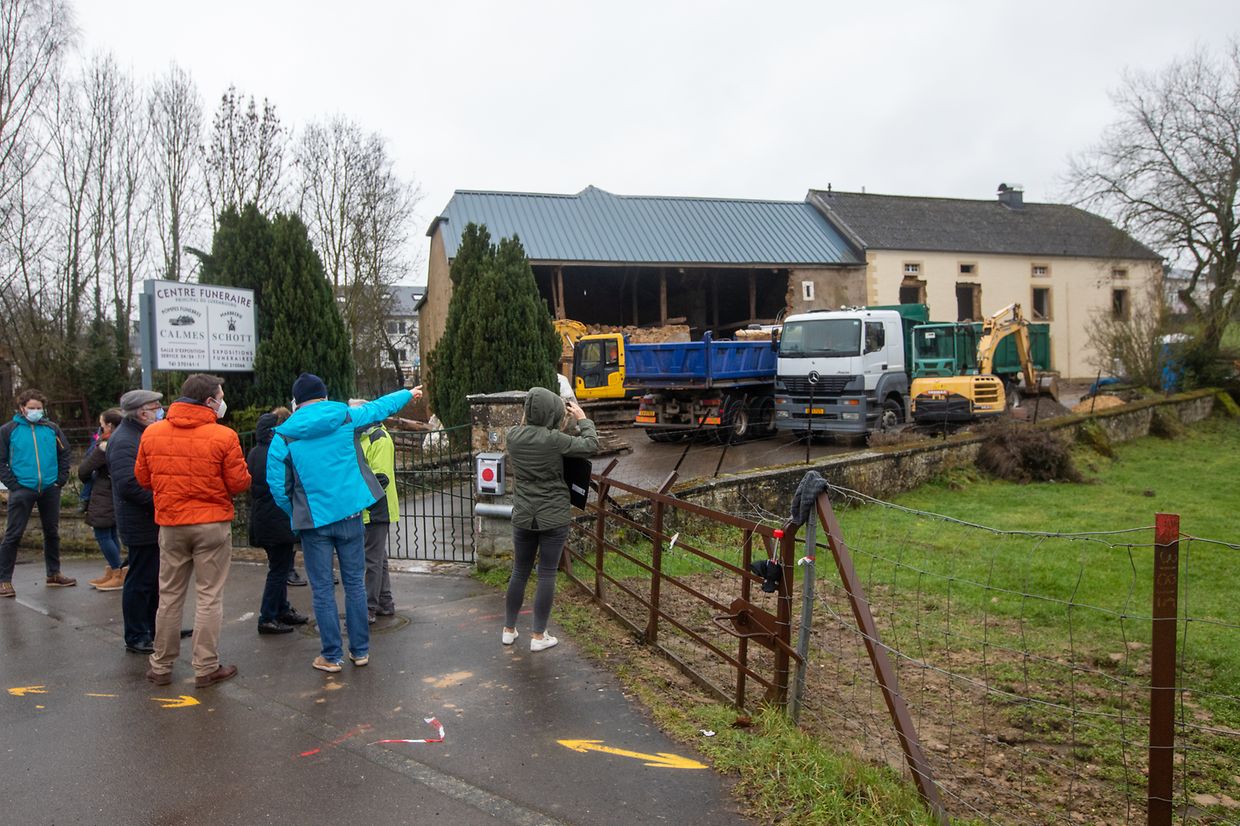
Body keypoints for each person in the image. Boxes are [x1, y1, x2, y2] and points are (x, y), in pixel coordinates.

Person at [267, 373, 414, 673]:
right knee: (355, 586)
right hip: (350, 515)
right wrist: (409, 394)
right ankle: (360, 651)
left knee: (322, 590)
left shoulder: (283, 436)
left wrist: (297, 512)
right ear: (323, 395)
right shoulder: (346, 417)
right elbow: (379, 408)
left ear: (296, 401)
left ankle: (331, 656)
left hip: (314, 523)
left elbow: (277, 486)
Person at [136, 374, 250, 688]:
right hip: (211, 523)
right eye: (220, 396)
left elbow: (143, 479)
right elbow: (239, 483)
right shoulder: (223, 436)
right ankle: (206, 666)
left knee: (169, 597)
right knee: (209, 596)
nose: (223, 401)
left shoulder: (152, 434)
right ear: (209, 401)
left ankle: (161, 665)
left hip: (171, 524)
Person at [501, 387, 598, 652]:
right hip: (553, 516)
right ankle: (538, 635)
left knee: (519, 571)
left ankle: (509, 629)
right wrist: (582, 418)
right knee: (546, 573)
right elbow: (591, 445)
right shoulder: (554, 439)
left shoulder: (513, 436)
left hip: (523, 515)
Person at [0, 389, 74, 597]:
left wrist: (61, 479)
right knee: (13, 535)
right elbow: (1, 460)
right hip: (22, 488)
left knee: (52, 532)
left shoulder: (52, 428)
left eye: (39, 408)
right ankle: (4, 580)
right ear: (22, 408)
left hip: (50, 488)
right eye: (31, 408)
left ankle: (54, 573)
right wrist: (13, 485)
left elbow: (65, 452)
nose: (35, 411)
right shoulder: (8, 430)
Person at [109, 389, 165, 653]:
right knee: (140, 580)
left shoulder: (140, 434)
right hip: (139, 522)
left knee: (152, 579)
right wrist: (162, 499)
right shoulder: (124, 440)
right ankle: (136, 634)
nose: (160, 411)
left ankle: (153, 629)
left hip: (149, 521)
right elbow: (128, 485)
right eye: (156, 407)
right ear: (142, 412)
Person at [246, 407, 308, 635]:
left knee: (280, 568)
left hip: (265, 519)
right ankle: (268, 616)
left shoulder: (255, 452)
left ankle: (281, 609)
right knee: (278, 570)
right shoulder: (276, 452)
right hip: (276, 519)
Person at [349, 399, 398, 624]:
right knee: (378, 558)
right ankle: (385, 602)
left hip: (377, 508)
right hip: (372, 508)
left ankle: (369, 607)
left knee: (372, 560)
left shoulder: (378, 438)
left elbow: (381, 478)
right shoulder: (363, 437)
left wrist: (358, 498)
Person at [79, 408, 125, 591]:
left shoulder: (105, 446)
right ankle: (115, 569)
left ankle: (117, 571)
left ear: (110, 425)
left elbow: (84, 469)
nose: (100, 428)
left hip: (103, 494)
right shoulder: (125, 440)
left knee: (103, 534)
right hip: (115, 493)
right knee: (111, 533)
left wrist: (89, 480)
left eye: (102, 425)